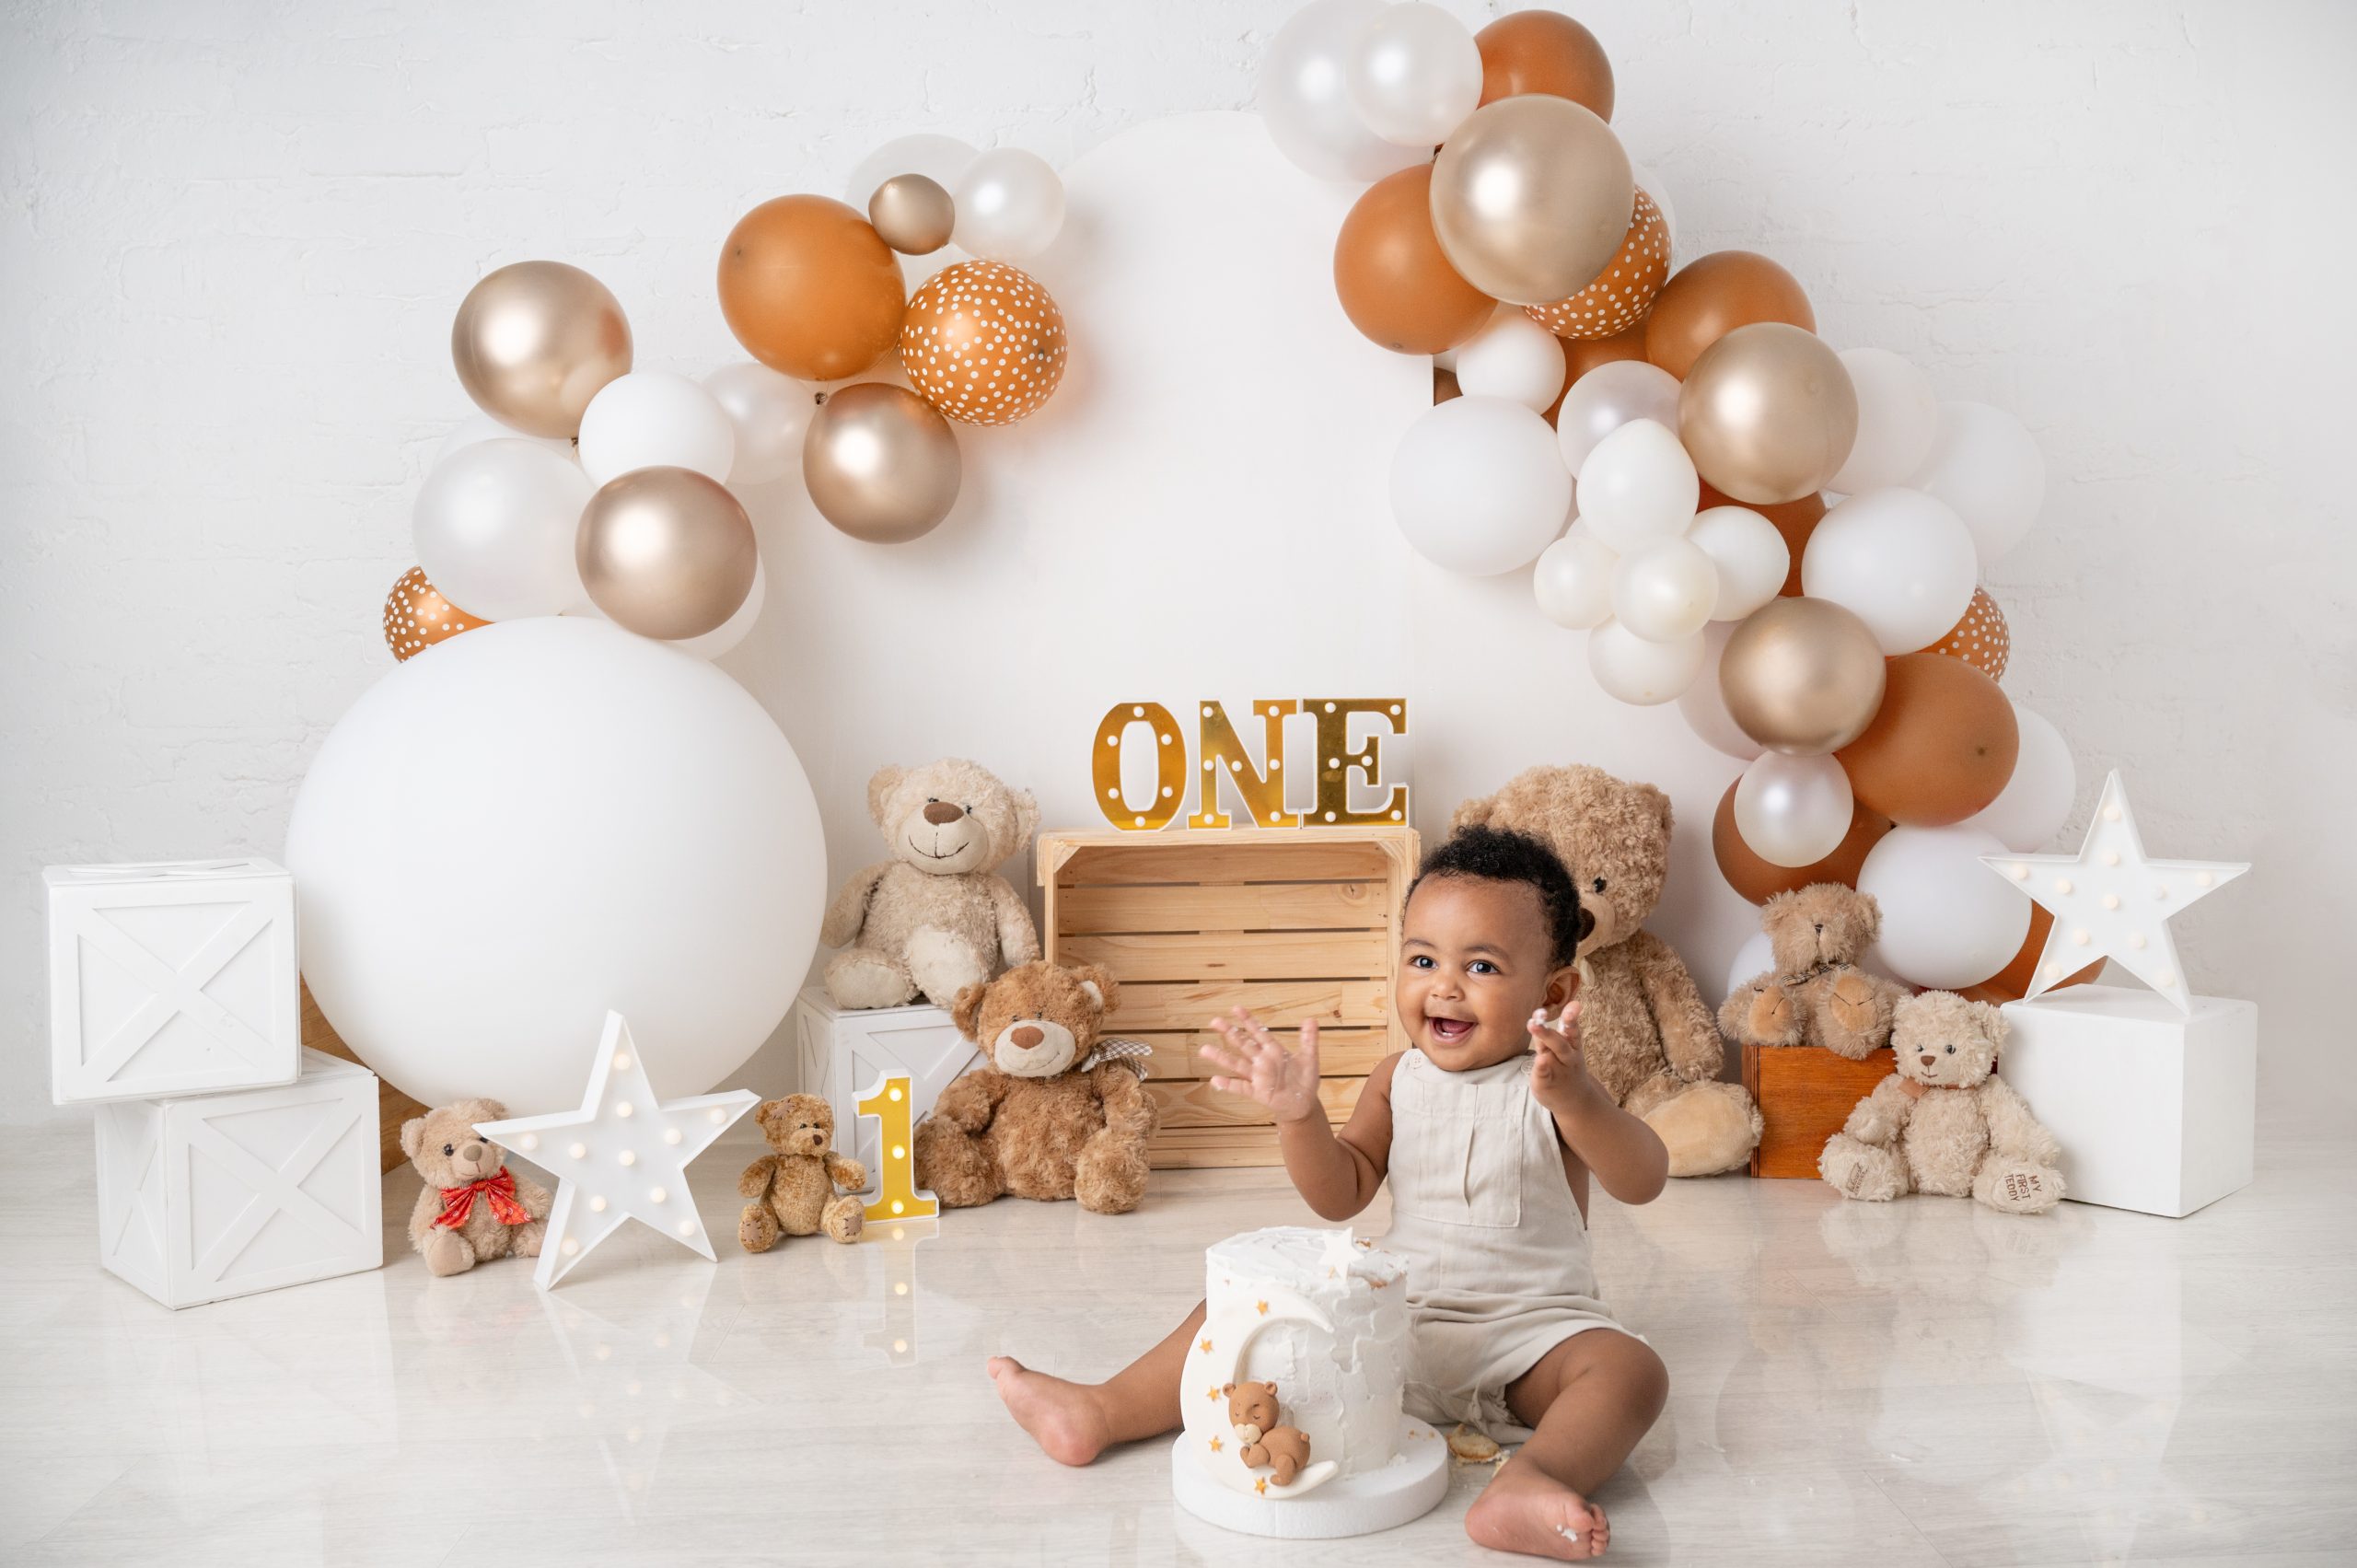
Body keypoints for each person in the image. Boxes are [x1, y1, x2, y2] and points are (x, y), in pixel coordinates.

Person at [989, 824, 1671, 1561]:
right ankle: (1102, 1409)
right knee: (1235, 1310)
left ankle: (1530, 1481)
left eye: (1481, 964)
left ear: (1555, 990)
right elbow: (1339, 1194)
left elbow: (1644, 1175)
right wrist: (1298, 1114)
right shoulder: (1396, 1078)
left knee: (1631, 1372)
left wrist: (1577, 1101)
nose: (1443, 985)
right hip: (1393, 1327)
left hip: (1529, 1338)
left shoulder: (1555, 1083)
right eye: (1423, 958)